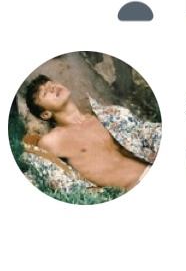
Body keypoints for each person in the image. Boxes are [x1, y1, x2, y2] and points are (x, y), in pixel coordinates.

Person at [16, 73, 159, 202]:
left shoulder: (109, 114)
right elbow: (44, 173)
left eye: (51, 84)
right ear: (46, 114)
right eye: (46, 92)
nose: (52, 87)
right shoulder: (52, 141)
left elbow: (145, 132)